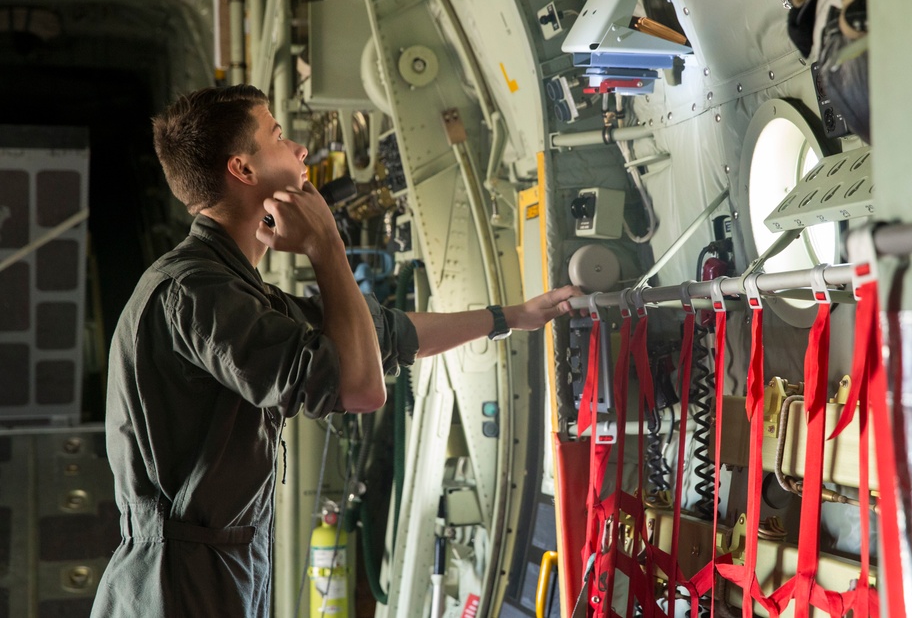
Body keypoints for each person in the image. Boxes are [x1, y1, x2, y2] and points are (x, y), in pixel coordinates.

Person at [90, 84, 579, 617]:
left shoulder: (230, 289)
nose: (300, 149)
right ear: (243, 170)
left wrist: (512, 318)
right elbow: (359, 387)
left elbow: (382, 334)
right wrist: (327, 247)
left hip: (209, 571)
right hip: (175, 588)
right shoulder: (197, 293)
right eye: (277, 136)